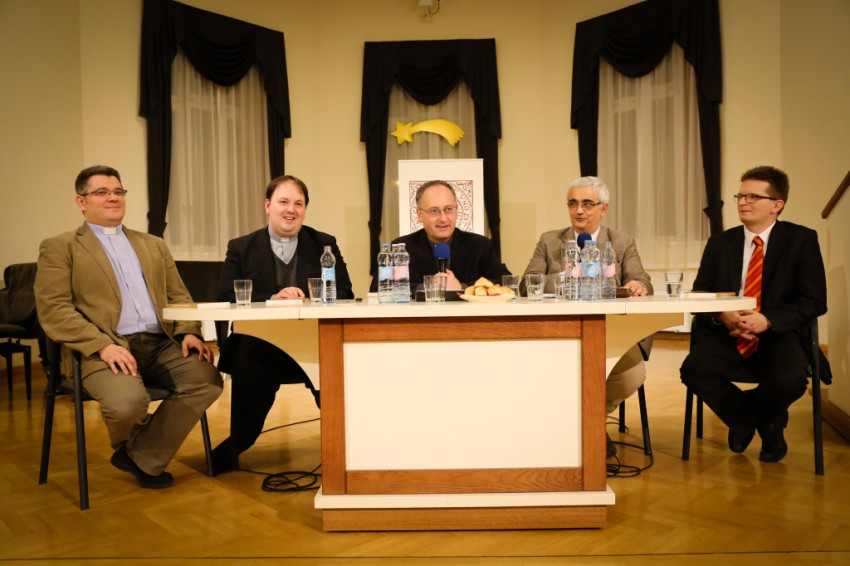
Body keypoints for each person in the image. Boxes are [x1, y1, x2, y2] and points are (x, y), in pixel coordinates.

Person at [34, 165, 223, 489]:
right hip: (102, 348)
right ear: (81, 201)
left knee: (207, 380)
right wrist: (102, 345)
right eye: (102, 192)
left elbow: (179, 297)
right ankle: (145, 455)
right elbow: (54, 309)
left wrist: (189, 331)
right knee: (127, 404)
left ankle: (139, 455)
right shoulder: (60, 246)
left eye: (118, 191)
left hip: (161, 344)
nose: (113, 197)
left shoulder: (153, 244)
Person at [680, 166, 828, 463]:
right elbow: (700, 295)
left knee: (791, 380)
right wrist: (725, 316)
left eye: (753, 197)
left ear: (777, 205)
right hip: (728, 332)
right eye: (740, 196)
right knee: (694, 370)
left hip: (778, 334)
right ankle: (763, 420)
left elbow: (815, 301)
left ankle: (747, 417)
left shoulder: (801, 240)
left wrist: (767, 319)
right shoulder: (720, 243)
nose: (743, 202)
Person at [212, 174, 353, 474]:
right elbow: (226, 296)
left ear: (305, 210)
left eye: (298, 204)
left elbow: (345, 293)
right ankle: (235, 446)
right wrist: (272, 299)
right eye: (284, 202)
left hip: (312, 342)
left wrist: (311, 298)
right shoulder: (241, 247)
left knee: (337, 377)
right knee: (251, 376)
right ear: (268, 206)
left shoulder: (324, 244)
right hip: (259, 345)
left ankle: (346, 450)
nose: (291, 210)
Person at [520, 176, 653, 458]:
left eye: (587, 204)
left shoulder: (621, 242)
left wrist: (638, 285)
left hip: (614, 331)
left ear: (603, 208)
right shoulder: (549, 240)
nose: (579, 210)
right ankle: (587, 430)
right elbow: (527, 284)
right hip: (559, 334)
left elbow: (642, 281)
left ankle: (589, 422)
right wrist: (569, 278)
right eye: (573, 203)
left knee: (631, 374)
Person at [370, 180, 510, 293]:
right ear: (419, 215)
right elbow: (378, 289)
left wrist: (462, 287)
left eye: (448, 209)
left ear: (456, 212)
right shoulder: (402, 248)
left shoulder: (480, 246)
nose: (443, 218)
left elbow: (506, 282)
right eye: (434, 211)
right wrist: (427, 287)